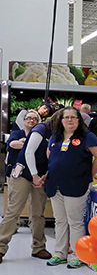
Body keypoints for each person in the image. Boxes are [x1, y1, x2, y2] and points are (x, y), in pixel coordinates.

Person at [45, 107, 97, 268]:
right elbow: (49, 155)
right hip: (55, 185)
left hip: (77, 184)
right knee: (60, 220)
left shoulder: (87, 137)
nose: (70, 120)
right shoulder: (55, 137)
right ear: (61, 120)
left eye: (73, 117)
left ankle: (79, 255)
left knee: (75, 222)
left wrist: (89, 174)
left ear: (79, 120)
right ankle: (60, 254)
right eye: (66, 117)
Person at [0, 110, 51, 263]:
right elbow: (13, 144)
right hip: (20, 174)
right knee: (13, 211)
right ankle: (1, 247)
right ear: (23, 120)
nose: (31, 120)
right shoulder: (17, 133)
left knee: (38, 213)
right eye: (28, 118)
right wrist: (26, 143)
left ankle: (39, 247)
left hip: (39, 177)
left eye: (35, 119)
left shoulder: (45, 135)